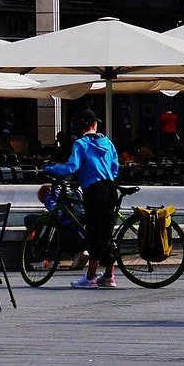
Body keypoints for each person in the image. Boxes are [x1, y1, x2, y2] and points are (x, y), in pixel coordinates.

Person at [43, 110, 121, 289]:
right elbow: (115, 167)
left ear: (79, 127)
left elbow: (72, 167)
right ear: (94, 124)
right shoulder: (107, 142)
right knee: (107, 232)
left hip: (94, 191)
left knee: (95, 232)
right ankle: (109, 276)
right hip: (110, 189)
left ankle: (91, 277)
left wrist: (50, 169)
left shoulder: (81, 143)